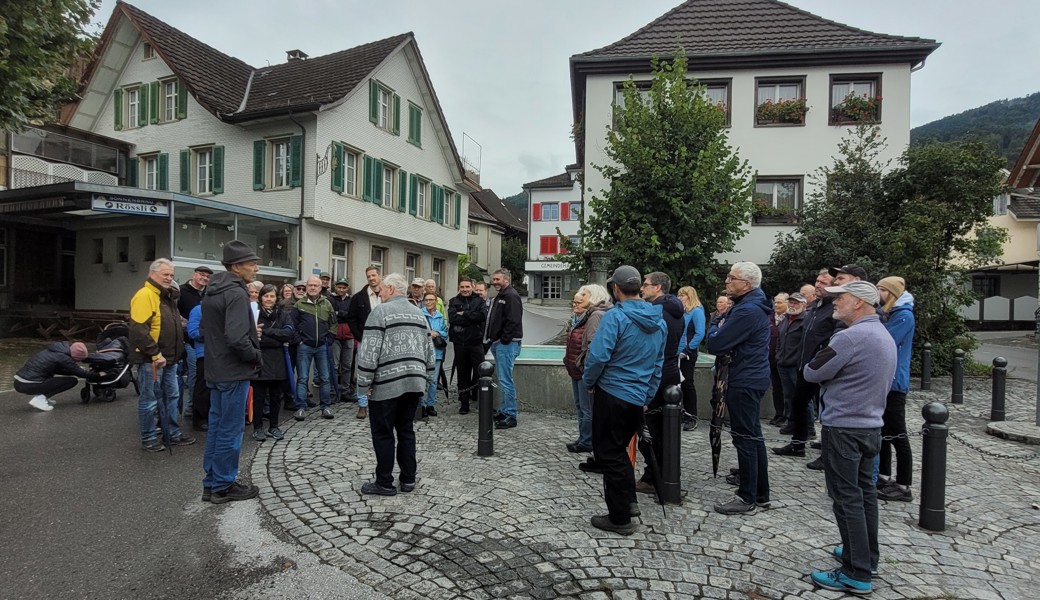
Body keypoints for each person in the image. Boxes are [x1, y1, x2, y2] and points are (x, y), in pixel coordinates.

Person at [803, 280, 896, 596]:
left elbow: (812, 372)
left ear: (858, 302)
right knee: (864, 494)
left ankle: (855, 573)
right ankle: (866, 557)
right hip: (870, 426)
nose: (834, 304)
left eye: (839, 298)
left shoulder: (851, 337)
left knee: (847, 498)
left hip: (844, 428)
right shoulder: (882, 334)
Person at [582, 265, 666, 535]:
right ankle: (629, 503)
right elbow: (658, 364)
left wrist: (589, 382)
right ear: (639, 288)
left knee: (610, 453)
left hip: (613, 392)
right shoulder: (658, 320)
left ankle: (619, 518)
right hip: (637, 396)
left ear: (615, 289)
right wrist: (647, 395)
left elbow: (598, 357)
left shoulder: (615, 318)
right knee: (621, 451)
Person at [355, 273, 435, 496]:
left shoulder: (380, 312)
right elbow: (429, 352)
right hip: (414, 382)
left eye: (381, 288)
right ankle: (408, 479)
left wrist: (363, 385)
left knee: (383, 433)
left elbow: (369, 353)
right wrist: (427, 379)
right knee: (406, 430)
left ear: (390, 289)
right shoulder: (419, 314)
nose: (379, 292)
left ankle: (384, 482)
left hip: (386, 383)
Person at [706, 261, 772, 515]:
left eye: (731, 278)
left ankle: (747, 497)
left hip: (744, 378)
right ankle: (759, 493)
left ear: (746, 284)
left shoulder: (747, 311)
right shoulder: (749, 305)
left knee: (745, 438)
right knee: (753, 436)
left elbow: (716, 343)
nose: (726, 281)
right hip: (748, 376)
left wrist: (718, 325)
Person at [201, 240, 262, 504]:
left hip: (215, 368)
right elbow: (237, 338)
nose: (256, 268)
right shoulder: (236, 293)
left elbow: (207, 331)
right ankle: (223, 485)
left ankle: (212, 482)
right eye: (251, 263)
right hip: (233, 371)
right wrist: (256, 355)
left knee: (216, 427)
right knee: (230, 429)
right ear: (236, 267)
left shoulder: (212, 290)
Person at [129, 258, 194, 452]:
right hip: (153, 359)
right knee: (149, 400)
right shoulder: (145, 295)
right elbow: (139, 330)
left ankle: (172, 433)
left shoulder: (167, 297)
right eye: (165, 274)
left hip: (170, 358)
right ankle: (149, 437)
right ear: (152, 273)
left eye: (171, 275)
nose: (169, 278)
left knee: (172, 396)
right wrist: (155, 353)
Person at [775, 268, 837, 454]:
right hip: (804, 366)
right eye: (817, 281)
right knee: (798, 402)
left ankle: (828, 450)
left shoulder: (833, 308)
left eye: (823, 282)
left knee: (826, 408)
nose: (818, 285)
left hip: (824, 367)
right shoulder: (815, 308)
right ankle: (798, 444)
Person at [635, 271, 684, 496]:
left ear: (658, 288)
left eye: (646, 285)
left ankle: (655, 477)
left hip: (657, 374)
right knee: (662, 430)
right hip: (670, 371)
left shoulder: (657, 313)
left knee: (650, 431)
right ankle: (658, 474)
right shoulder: (675, 310)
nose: (642, 288)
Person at [875, 276, 916, 502]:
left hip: (895, 382)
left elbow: (886, 340)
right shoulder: (890, 314)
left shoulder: (903, 316)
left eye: (881, 289)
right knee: (884, 433)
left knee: (898, 433)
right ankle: (883, 475)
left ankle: (903, 484)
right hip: (885, 380)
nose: (878, 293)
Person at [563, 284, 611, 453]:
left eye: (583, 295)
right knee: (581, 407)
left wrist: (587, 370)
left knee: (586, 409)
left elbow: (593, 347)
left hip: (584, 371)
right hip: (577, 369)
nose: (576, 300)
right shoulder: (581, 317)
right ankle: (584, 438)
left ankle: (587, 441)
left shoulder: (594, 316)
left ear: (594, 298)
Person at [291, 276, 336, 421]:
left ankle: (325, 407)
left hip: (322, 346)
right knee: (303, 378)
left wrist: (329, 339)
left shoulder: (327, 304)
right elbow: (292, 324)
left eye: (315, 285)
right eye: (310, 285)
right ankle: (301, 407)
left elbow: (333, 323)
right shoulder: (299, 304)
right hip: (305, 346)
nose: (312, 287)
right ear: (306, 287)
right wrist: (299, 340)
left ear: (320, 287)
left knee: (325, 378)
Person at [252, 284, 293, 442]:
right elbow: (252, 335)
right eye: (266, 296)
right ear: (261, 297)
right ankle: (257, 428)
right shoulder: (254, 314)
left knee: (276, 396)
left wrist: (268, 332)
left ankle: (274, 426)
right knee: (259, 396)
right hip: (260, 357)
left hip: (277, 358)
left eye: (272, 296)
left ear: (277, 298)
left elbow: (289, 333)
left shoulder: (282, 314)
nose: (269, 299)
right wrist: (277, 336)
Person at [484, 268, 523, 429]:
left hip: (506, 344)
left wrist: (504, 339)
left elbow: (513, 320)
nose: (494, 282)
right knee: (502, 378)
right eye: (493, 279)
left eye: (498, 279)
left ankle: (510, 415)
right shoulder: (502, 295)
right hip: (499, 343)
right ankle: (504, 410)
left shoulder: (511, 296)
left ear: (506, 279)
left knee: (506, 380)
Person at [14, 342, 101, 411]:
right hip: (29, 384)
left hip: (19, 382)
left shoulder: (55, 350)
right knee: (72, 381)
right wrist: (98, 375)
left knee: (54, 380)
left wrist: (75, 369)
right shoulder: (64, 358)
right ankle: (40, 399)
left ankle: (43, 397)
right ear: (75, 357)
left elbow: (58, 370)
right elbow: (81, 374)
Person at [447, 278, 487, 415]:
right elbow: (452, 318)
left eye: (467, 287)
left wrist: (464, 314)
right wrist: (471, 317)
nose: (464, 289)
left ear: (472, 287)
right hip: (460, 343)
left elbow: (482, 316)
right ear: (459, 288)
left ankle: (481, 400)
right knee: (462, 375)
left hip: (476, 343)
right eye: (462, 287)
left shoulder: (479, 301)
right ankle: (464, 404)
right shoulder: (454, 301)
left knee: (479, 373)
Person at [347, 266, 382, 420]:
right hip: (365, 340)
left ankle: (380, 401)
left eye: (374, 275)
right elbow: (351, 319)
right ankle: (362, 405)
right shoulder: (358, 297)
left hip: (384, 340)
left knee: (382, 372)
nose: (371, 278)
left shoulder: (386, 295)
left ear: (379, 276)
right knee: (363, 373)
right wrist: (360, 336)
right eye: (369, 276)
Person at [178, 265, 212, 420]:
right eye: (202, 275)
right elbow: (174, 314)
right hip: (189, 338)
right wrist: (188, 324)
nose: (204, 278)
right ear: (194, 275)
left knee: (198, 376)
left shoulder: (207, 293)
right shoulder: (181, 291)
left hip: (203, 341)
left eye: (207, 277)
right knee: (194, 375)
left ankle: (194, 406)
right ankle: (192, 408)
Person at [773, 292, 807, 431]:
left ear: (804, 305)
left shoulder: (805, 320)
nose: (792, 305)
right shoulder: (785, 319)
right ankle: (791, 423)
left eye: (796, 303)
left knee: (802, 398)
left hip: (795, 365)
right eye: (791, 302)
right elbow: (780, 340)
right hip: (782, 363)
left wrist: (798, 360)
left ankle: (807, 428)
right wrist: (778, 356)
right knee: (788, 396)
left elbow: (805, 343)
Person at [677, 286, 705, 431]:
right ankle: (682, 412)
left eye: (683, 295)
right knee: (679, 384)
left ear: (690, 296)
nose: (680, 297)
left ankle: (691, 416)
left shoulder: (697, 311)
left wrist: (688, 349)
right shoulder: (683, 312)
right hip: (678, 352)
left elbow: (699, 333)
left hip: (688, 353)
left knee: (688, 383)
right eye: (679, 295)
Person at [420, 292, 448, 418]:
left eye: (431, 300)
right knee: (423, 380)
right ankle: (422, 405)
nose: (428, 302)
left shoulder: (440, 316)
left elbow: (445, 332)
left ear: (436, 301)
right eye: (426, 300)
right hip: (423, 352)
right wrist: (428, 333)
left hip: (437, 352)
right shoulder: (420, 314)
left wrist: (437, 333)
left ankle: (431, 404)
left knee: (433, 380)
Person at [330, 277, 356, 402]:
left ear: (347, 288)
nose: (341, 289)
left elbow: (351, 315)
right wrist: (342, 314)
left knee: (347, 365)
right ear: (335, 287)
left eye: (344, 287)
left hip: (348, 335)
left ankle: (345, 391)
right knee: (334, 365)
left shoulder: (351, 300)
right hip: (335, 335)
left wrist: (339, 313)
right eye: (339, 287)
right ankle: (334, 391)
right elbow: (330, 314)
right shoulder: (330, 299)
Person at [186, 303, 210, 431]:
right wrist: (215, 334)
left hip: (222, 354)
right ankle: (200, 419)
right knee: (203, 387)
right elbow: (193, 332)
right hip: (204, 353)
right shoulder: (198, 309)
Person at [768, 293, 789, 426]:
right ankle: (779, 413)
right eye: (775, 302)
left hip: (784, 360)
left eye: (780, 303)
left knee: (786, 390)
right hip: (771, 359)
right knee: (776, 389)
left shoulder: (789, 319)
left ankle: (787, 416)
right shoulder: (769, 318)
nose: (776, 305)